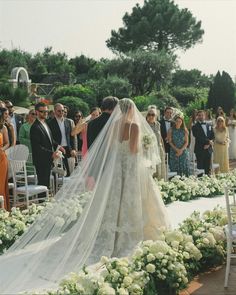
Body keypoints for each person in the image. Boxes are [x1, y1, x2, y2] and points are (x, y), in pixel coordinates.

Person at [0, 98, 170, 293]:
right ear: (131, 110)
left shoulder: (115, 125)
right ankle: (129, 232)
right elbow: (133, 150)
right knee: (132, 199)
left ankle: (110, 231)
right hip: (130, 168)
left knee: (113, 200)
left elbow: (113, 148)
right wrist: (145, 146)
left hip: (115, 170)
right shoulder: (134, 126)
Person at [30, 102, 61, 189]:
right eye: (42, 111)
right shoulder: (35, 127)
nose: (45, 113)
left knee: (46, 185)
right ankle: (41, 202)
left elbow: (50, 140)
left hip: (48, 159)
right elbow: (37, 147)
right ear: (36, 112)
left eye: (47, 111)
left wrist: (59, 146)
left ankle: (44, 201)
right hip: (41, 160)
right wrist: (51, 153)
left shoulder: (45, 123)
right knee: (43, 184)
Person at [48, 103, 77, 176]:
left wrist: (73, 149)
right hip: (57, 149)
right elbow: (50, 138)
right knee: (59, 172)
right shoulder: (50, 123)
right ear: (54, 111)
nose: (61, 113)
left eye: (63, 111)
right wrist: (58, 147)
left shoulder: (68, 122)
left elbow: (72, 136)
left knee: (70, 172)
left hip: (68, 148)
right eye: (59, 111)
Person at [146, 106, 166, 180]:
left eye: (153, 114)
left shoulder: (158, 124)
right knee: (151, 171)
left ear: (156, 115)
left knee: (160, 170)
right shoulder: (144, 124)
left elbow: (160, 137)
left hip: (158, 149)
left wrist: (163, 149)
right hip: (149, 150)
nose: (151, 116)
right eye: (149, 114)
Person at [192, 110, 214, 175]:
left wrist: (209, 143)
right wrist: (208, 142)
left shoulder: (209, 125)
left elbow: (213, 136)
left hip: (208, 149)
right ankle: (200, 182)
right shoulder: (194, 126)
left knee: (208, 168)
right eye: (199, 115)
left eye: (202, 115)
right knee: (200, 168)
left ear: (205, 116)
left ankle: (208, 182)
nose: (201, 116)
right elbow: (198, 137)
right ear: (197, 116)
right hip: (200, 149)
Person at [0, 108, 10, 211]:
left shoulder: (3, 128)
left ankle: (2, 210)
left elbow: (8, 143)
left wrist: (1, 149)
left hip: (1, 158)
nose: (7, 116)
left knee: (1, 184)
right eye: (5, 114)